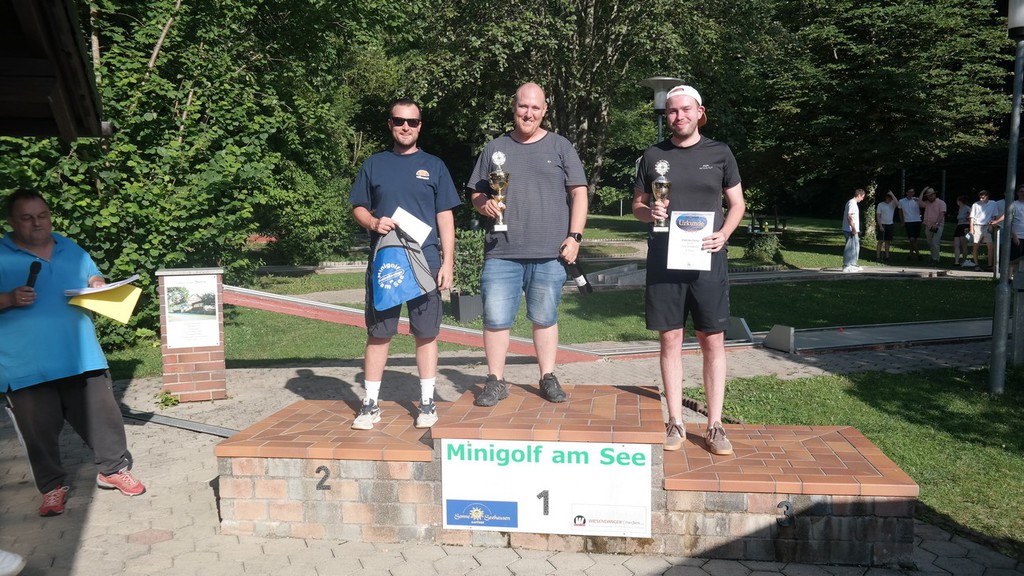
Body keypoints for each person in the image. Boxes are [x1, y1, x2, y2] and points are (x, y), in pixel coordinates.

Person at [1, 189, 145, 518]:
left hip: (81, 355)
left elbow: (91, 273)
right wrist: (7, 299)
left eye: (42, 216)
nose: (38, 223)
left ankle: (113, 470)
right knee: (38, 432)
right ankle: (52, 487)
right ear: (11, 222)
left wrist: (97, 283)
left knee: (105, 419)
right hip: (25, 365)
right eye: (27, 218)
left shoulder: (69, 247)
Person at [631, 84, 745, 455]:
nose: (678, 116)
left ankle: (715, 425)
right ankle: (675, 421)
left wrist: (724, 234)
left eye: (685, 110)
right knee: (670, 339)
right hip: (665, 260)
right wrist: (649, 213)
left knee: (712, 340)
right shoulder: (653, 155)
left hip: (707, 259)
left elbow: (737, 204)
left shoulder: (720, 153)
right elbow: (637, 205)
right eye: (672, 111)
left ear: (699, 112)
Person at [467, 82, 588, 406]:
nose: (529, 113)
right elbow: (477, 192)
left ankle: (547, 376)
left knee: (545, 318)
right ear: (514, 107)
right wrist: (483, 204)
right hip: (502, 252)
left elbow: (579, 193)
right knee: (495, 319)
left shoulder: (561, 146)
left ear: (544, 110)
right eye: (523, 106)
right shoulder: (495, 148)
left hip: (549, 253)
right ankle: (495, 380)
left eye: (535, 107)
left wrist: (575, 236)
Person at [348, 98, 460, 429]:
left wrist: (448, 263)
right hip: (387, 262)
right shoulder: (374, 164)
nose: (405, 127)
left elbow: (445, 217)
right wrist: (372, 222)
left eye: (412, 121)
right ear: (390, 124)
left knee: (426, 333)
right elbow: (358, 206)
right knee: (379, 333)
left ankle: (427, 403)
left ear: (420, 126)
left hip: (426, 262)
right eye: (399, 121)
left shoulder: (434, 166)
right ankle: (370, 404)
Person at [969, 190, 999, 271]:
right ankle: (976, 264)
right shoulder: (975, 204)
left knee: (990, 246)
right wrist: (971, 228)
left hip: (987, 226)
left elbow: (994, 215)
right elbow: (972, 217)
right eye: (980, 197)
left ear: (987, 197)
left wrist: (991, 225)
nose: (981, 199)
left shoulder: (993, 203)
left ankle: (989, 265)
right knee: (976, 246)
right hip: (977, 226)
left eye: (983, 198)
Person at [919, 187, 947, 266]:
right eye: (928, 196)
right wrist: (923, 191)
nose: (930, 197)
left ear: (934, 194)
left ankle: (936, 259)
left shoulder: (941, 203)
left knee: (935, 242)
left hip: (938, 226)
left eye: (931, 195)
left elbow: (942, 214)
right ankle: (933, 257)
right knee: (930, 242)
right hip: (928, 225)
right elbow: (919, 203)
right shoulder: (927, 203)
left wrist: (936, 224)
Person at [842, 189, 866, 272]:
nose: (862, 199)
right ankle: (846, 266)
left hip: (853, 229)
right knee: (850, 248)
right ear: (859, 195)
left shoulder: (853, 203)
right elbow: (849, 216)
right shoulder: (852, 203)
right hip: (850, 229)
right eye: (862, 197)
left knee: (855, 247)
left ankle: (853, 264)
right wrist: (853, 228)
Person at [898, 188, 923, 260]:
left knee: (914, 239)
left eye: (912, 192)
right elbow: (900, 212)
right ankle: (918, 254)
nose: (910, 193)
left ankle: (910, 255)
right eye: (909, 192)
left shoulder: (917, 200)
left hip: (917, 221)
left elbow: (923, 205)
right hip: (908, 221)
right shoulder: (901, 201)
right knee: (911, 239)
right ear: (906, 193)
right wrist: (902, 222)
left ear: (914, 193)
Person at [875, 191, 897, 262]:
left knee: (888, 241)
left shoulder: (893, 204)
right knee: (880, 241)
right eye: (888, 197)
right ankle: (878, 256)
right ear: (885, 198)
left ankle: (887, 256)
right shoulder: (880, 204)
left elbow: (898, 204)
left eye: (890, 198)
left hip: (890, 224)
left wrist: (892, 194)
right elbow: (878, 216)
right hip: (883, 224)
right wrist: (880, 226)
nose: (889, 199)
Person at [953, 195, 971, 266]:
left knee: (964, 244)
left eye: (957, 200)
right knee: (956, 244)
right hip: (959, 226)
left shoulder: (967, 207)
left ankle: (964, 261)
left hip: (965, 226)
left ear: (960, 201)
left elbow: (972, 215)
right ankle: (956, 261)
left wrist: (968, 218)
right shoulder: (960, 208)